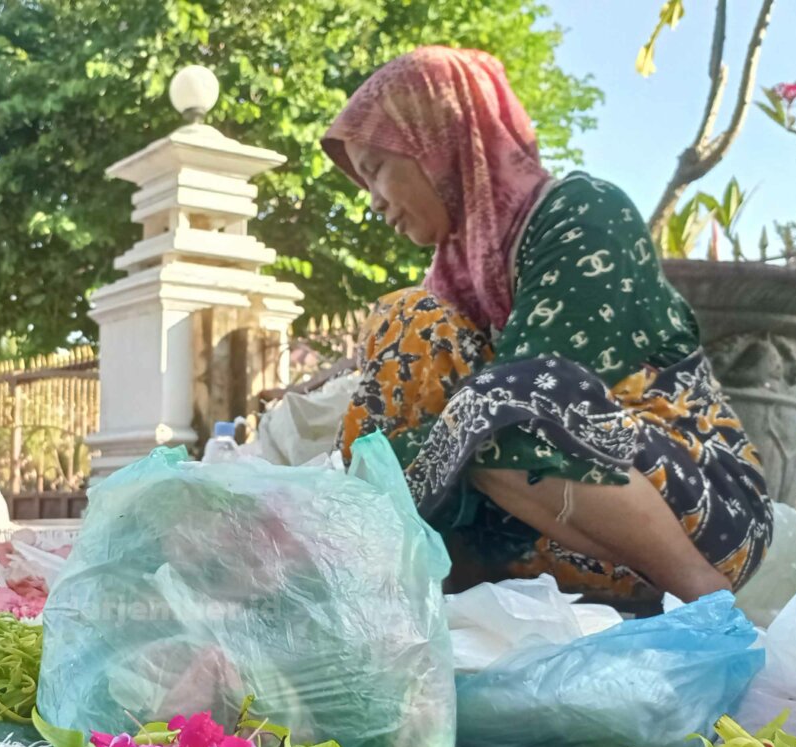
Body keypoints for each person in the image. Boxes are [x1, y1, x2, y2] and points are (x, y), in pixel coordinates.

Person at [321, 47, 772, 603]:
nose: (372, 202)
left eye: (375, 170)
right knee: (411, 338)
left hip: (702, 514)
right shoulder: (457, 278)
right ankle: (409, 599)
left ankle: (704, 601)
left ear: (438, 143)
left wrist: (374, 473)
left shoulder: (585, 214)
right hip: (542, 539)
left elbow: (530, 398)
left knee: (482, 405)